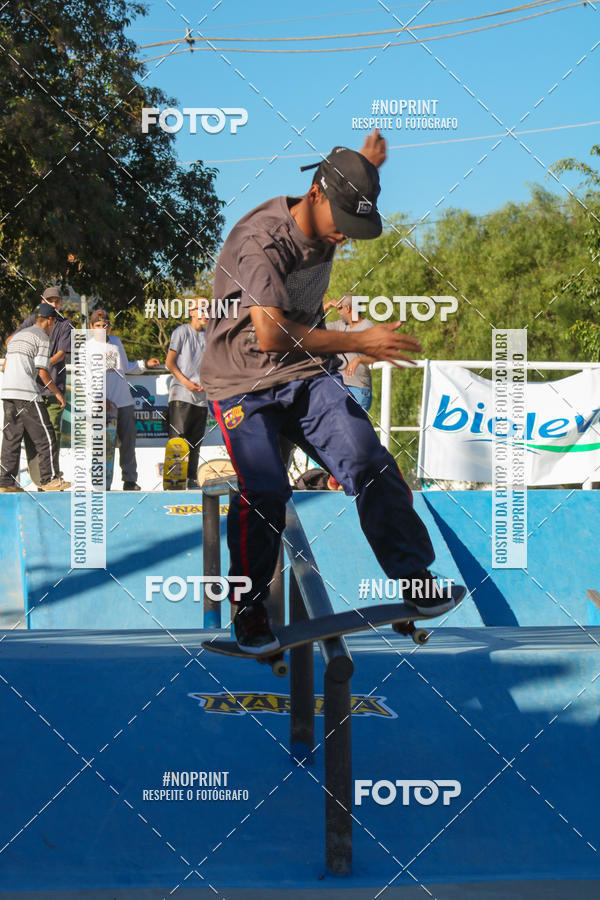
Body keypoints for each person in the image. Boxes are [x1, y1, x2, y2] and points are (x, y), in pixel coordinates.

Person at [201, 129, 465, 653]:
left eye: (353, 227)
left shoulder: (333, 194)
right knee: (266, 490)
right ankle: (249, 609)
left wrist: (367, 163)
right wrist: (357, 339)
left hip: (302, 375)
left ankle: (413, 577)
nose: (342, 238)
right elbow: (271, 335)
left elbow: (349, 181)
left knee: (371, 460)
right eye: (340, 225)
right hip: (242, 384)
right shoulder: (260, 241)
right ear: (315, 194)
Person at [0, 302, 71, 492]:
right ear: (50, 320)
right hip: (26, 393)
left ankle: (6, 482)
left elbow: (5, 366)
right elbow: (42, 372)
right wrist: (58, 394)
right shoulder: (42, 337)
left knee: (11, 437)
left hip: (7, 392)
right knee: (46, 436)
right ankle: (49, 479)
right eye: (54, 322)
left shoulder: (15, 338)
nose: (54, 325)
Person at [89, 309, 161, 491]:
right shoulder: (86, 347)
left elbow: (125, 366)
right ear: (91, 327)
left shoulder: (115, 342)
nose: (102, 328)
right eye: (97, 325)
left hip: (124, 401)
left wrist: (144, 364)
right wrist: (99, 398)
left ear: (109, 326)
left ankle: (129, 480)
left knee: (128, 444)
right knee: (103, 445)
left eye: (105, 325)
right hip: (103, 405)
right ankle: (101, 484)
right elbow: (85, 378)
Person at [165, 299, 208, 489]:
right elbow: (169, 363)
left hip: (202, 397)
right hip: (181, 394)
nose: (206, 313)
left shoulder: (210, 336)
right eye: (202, 309)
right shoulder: (181, 331)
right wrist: (186, 383)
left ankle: (190, 480)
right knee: (178, 442)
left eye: (209, 309)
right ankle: (174, 482)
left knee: (195, 442)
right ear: (192, 311)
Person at [325, 294, 376, 411]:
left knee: (354, 428)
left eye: (340, 308)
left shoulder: (367, 327)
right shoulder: (340, 326)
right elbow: (312, 328)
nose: (338, 312)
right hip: (339, 387)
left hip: (358, 389)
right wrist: (327, 306)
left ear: (347, 308)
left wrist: (359, 360)